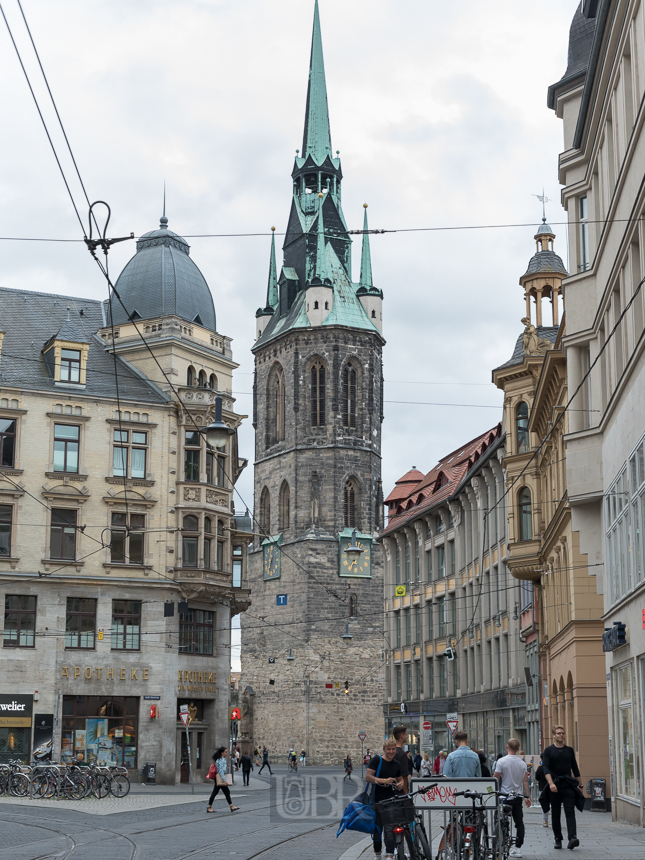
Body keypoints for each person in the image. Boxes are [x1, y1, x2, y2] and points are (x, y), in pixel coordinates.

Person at [542, 725, 582, 850]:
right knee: (556, 813)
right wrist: (551, 783)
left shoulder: (569, 750)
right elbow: (545, 768)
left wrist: (580, 785)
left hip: (568, 784)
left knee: (570, 811)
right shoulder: (548, 751)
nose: (561, 735)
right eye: (559, 733)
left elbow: (575, 768)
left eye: (563, 733)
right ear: (554, 735)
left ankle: (572, 838)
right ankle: (558, 838)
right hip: (554, 785)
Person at [366, 738, 404, 860]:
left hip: (390, 800)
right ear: (384, 750)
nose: (391, 751)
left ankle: (389, 855)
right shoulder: (377, 760)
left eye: (393, 749)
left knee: (389, 829)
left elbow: (399, 780)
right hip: (376, 800)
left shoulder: (396, 764)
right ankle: (378, 855)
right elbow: (368, 777)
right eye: (388, 749)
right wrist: (383, 781)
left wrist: (401, 784)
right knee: (377, 829)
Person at [493, 738, 531, 858]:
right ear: (518, 749)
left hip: (504, 796)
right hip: (518, 797)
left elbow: (495, 778)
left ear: (507, 747)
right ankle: (518, 848)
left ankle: (501, 840)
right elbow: (525, 781)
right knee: (519, 822)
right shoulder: (522, 763)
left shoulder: (501, 761)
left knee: (499, 819)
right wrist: (527, 797)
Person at [206, 747, 239, 813]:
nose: (227, 753)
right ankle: (209, 807)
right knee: (220, 792)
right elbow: (220, 770)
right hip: (220, 778)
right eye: (226, 752)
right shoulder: (221, 760)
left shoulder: (221, 759)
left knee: (222, 792)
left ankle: (231, 806)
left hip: (219, 777)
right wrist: (224, 780)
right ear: (222, 753)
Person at [392, 725, 410, 792]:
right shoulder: (402, 754)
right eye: (406, 734)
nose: (407, 736)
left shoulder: (392, 752)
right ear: (401, 736)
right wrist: (406, 793)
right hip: (400, 790)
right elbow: (404, 776)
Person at [535, 760, 550, 827]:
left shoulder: (540, 768)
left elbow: (537, 777)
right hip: (551, 787)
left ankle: (545, 820)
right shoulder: (551, 767)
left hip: (542, 787)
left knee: (544, 804)